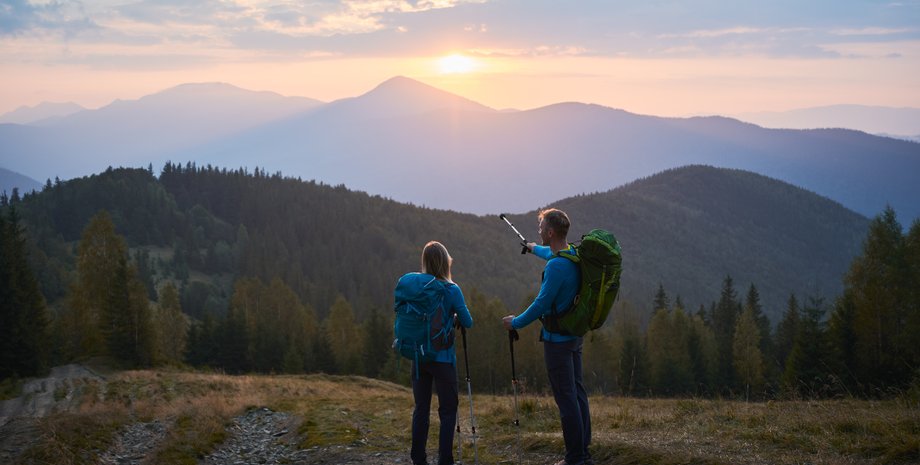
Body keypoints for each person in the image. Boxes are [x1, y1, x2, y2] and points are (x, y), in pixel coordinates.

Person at [502, 208, 592, 465]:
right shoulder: (571, 254)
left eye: (541, 227)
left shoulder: (556, 268)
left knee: (566, 399)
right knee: (577, 393)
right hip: (573, 336)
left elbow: (541, 304)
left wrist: (515, 322)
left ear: (550, 232)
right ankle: (583, 451)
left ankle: (575, 458)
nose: (538, 230)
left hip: (557, 342)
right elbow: (549, 253)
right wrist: (533, 248)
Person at [405, 241, 473, 465]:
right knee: (448, 411)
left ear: (424, 262)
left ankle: (418, 459)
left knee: (421, 409)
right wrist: (453, 317)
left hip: (419, 356)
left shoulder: (416, 287)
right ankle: (445, 460)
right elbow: (468, 322)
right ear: (445, 262)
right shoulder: (452, 290)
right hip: (443, 359)